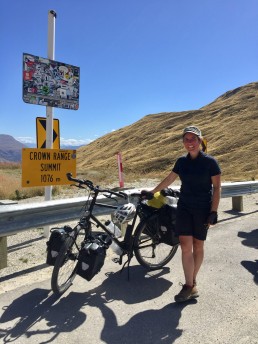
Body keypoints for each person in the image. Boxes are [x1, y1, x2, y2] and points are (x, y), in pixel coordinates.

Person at [148, 126, 221, 302]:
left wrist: (214, 211)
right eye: (186, 139)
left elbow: (217, 188)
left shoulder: (210, 162)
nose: (190, 143)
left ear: (200, 141)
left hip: (203, 209)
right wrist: (152, 191)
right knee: (185, 246)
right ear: (183, 142)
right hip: (184, 208)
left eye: (193, 139)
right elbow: (169, 179)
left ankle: (192, 281)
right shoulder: (181, 161)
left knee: (198, 245)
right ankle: (189, 286)